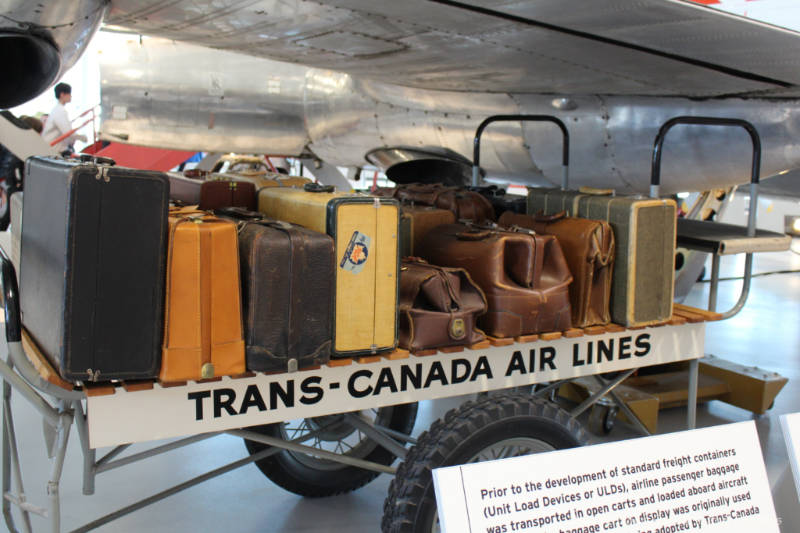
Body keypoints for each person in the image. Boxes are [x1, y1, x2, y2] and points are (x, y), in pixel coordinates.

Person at [41, 82, 86, 155]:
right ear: (62, 94)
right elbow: (67, 131)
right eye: (69, 94)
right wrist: (83, 138)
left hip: (54, 147)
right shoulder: (60, 111)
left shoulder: (57, 110)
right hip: (54, 149)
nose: (71, 96)